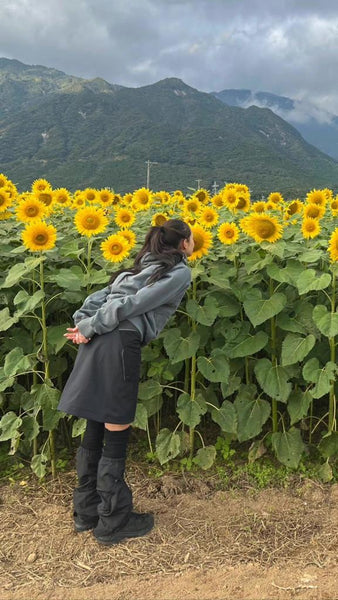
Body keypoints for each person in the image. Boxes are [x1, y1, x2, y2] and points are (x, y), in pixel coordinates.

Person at [58, 219, 194, 546]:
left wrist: (85, 325)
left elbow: (95, 299)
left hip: (97, 340)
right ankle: (112, 521)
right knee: (117, 422)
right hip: (119, 341)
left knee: (96, 416)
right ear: (184, 243)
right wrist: (91, 326)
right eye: (192, 238)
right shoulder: (178, 273)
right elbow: (135, 305)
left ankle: (86, 512)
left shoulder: (130, 271)